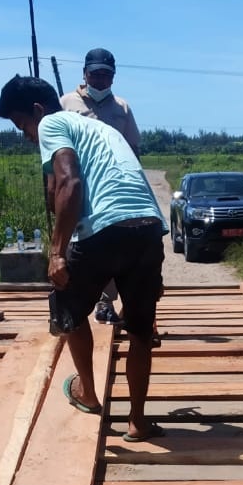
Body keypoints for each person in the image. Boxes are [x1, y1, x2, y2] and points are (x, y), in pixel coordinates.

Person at [0, 74, 167, 442]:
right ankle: (137, 421)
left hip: (105, 228)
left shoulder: (54, 122)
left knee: (68, 308)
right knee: (139, 331)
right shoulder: (102, 130)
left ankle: (88, 393)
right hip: (148, 229)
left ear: (38, 111)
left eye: (22, 124)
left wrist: (56, 252)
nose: (26, 135)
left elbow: (70, 182)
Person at [59, 47, 141, 327]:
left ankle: (106, 303)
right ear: (84, 74)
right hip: (80, 184)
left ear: (113, 78)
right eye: (95, 74)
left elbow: (133, 148)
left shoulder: (122, 108)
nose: (100, 80)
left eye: (106, 75)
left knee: (113, 243)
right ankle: (75, 301)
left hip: (115, 189)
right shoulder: (67, 103)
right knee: (81, 243)